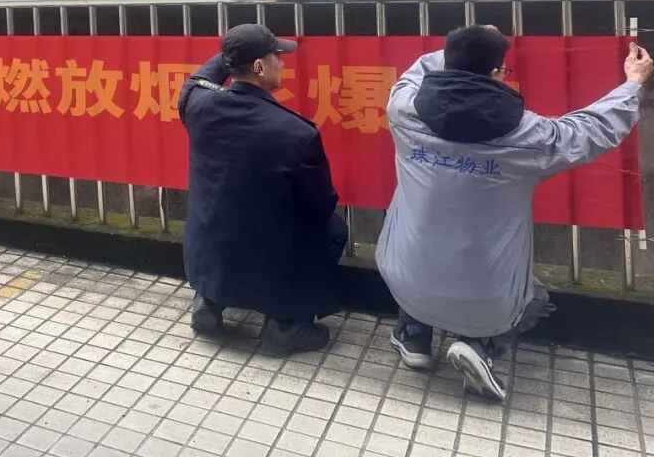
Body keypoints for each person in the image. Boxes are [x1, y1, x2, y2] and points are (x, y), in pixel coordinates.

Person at [378, 24, 653, 402]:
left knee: (424, 254)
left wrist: (471, 43)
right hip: (489, 303)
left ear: (446, 64)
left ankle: (413, 335)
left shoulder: (403, 110)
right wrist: (633, 83)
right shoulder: (530, 137)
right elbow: (590, 130)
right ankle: (480, 345)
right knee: (537, 298)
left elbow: (416, 71)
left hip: (400, 275)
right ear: (497, 73)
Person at [178, 23, 347, 352]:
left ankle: (209, 300)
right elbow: (320, 204)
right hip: (265, 256)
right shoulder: (296, 132)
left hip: (208, 241)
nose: (282, 63)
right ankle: (287, 323)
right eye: (276, 56)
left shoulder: (197, 103)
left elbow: (198, 78)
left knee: (223, 222)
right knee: (333, 230)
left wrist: (235, 51)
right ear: (259, 67)